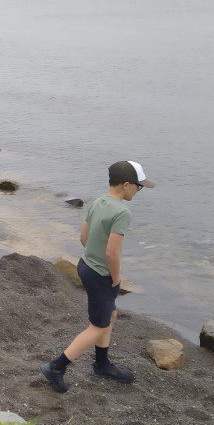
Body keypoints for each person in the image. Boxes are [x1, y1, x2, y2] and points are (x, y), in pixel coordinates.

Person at [40, 160, 156, 394]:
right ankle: (57, 367)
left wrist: (95, 258)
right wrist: (115, 277)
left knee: (109, 314)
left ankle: (102, 363)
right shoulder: (122, 212)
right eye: (138, 186)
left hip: (84, 266)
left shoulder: (97, 202)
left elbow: (83, 238)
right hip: (102, 275)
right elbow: (112, 252)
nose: (138, 190)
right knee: (97, 327)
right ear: (126, 185)